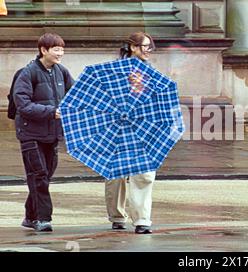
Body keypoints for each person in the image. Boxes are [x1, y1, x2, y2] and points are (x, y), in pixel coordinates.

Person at [13, 33, 74, 232]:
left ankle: (29, 216)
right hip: (30, 134)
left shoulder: (61, 72)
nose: (61, 53)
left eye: (62, 49)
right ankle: (42, 219)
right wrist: (51, 112)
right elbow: (22, 104)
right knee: (38, 174)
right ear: (44, 50)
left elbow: (74, 96)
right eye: (57, 49)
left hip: (52, 134)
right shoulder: (27, 73)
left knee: (45, 175)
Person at [104, 32, 157, 234]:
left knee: (144, 175)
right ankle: (117, 216)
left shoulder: (150, 71)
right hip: (118, 128)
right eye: (146, 46)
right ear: (133, 47)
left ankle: (142, 220)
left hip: (142, 128)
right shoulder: (115, 71)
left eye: (150, 47)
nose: (149, 50)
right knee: (116, 175)